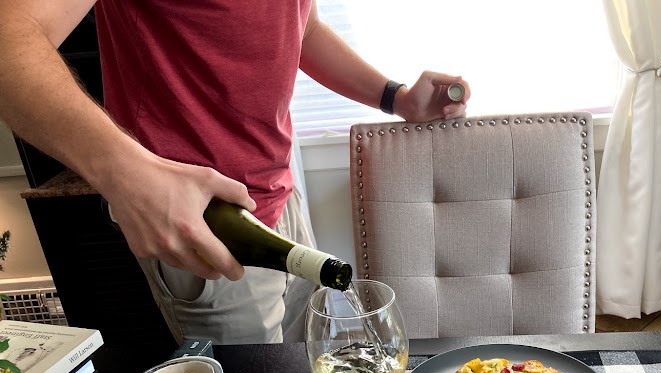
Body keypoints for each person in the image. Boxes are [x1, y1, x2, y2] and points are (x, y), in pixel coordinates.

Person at [0, 0, 470, 344]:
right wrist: (126, 174)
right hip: (205, 227)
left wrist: (397, 98)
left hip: (280, 198)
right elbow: (8, 34)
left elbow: (300, 26)